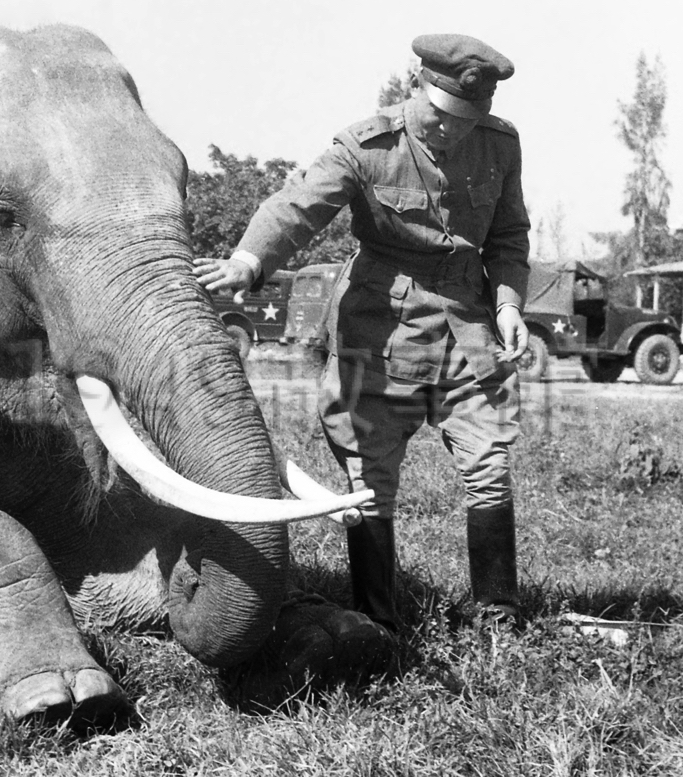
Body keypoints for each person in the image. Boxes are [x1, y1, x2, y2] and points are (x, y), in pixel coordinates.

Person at [194, 33, 530, 639]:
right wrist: (249, 262)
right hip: (381, 326)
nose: (453, 131)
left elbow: (508, 237)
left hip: (468, 325)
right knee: (368, 477)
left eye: (467, 119)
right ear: (417, 86)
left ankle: (497, 611)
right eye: (443, 115)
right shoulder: (366, 144)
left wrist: (508, 303)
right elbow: (297, 207)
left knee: (490, 460)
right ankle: (378, 621)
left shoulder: (500, 144)